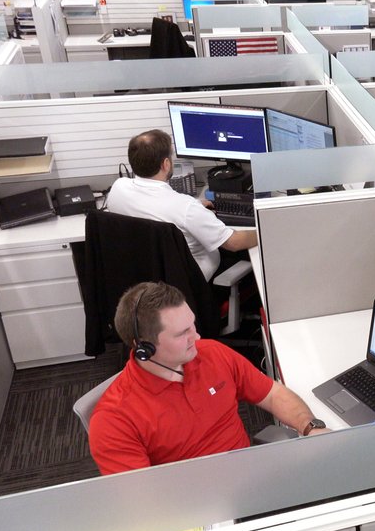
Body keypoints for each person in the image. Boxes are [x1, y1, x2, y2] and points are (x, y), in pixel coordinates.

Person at [89, 282, 328, 475]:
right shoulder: (114, 420)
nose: (197, 336)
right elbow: (143, 503)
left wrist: (310, 427)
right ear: (144, 348)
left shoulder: (211, 352)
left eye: (192, 325)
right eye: (183, 333)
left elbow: (273, 394)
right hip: (199, 507)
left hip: (252, 476)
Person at [107, 130, 257, 282]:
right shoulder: (186, 208)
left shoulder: (118, 188)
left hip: (146, 274)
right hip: (190, 279)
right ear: (166, 164)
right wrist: (265, 232)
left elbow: (154, 206)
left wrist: (195, 207)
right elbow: (234, 243)